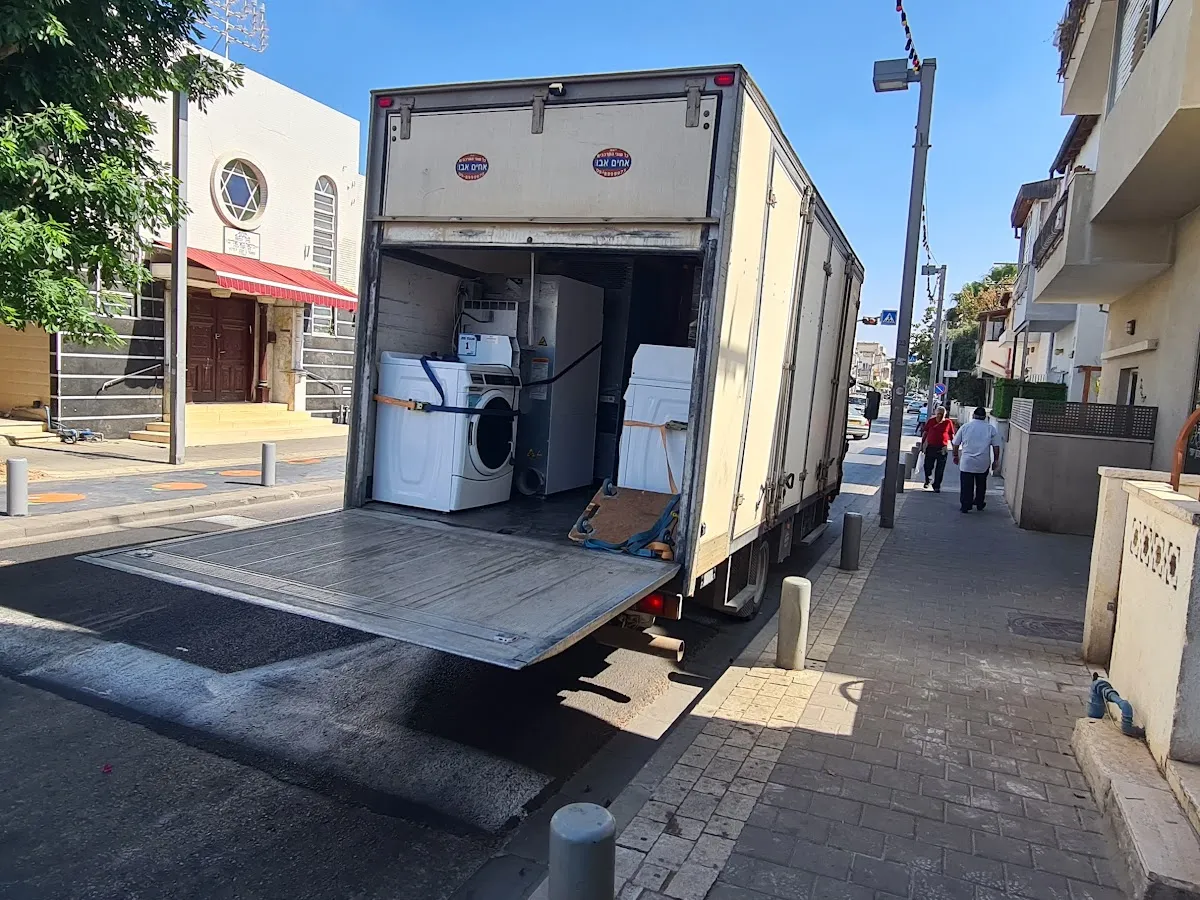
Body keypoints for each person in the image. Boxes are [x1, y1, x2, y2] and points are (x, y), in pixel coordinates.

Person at [952, 406, 1002, 513]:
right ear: (985, 417)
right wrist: (996, 460)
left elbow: (956, 443)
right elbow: (996, 447)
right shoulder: (990, 429)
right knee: (981, 484)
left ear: (973, 415)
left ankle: (965, 505)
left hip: (967, 462)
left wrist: (955, 455)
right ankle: (979, 503)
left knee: (966, 485)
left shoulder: (965, 427)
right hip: (983, 462)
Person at [920, 406, 955, 492]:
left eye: (941, 414)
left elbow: (951, 435)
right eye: (938, 413)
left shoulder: (948, 422)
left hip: (942, 448)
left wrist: (954, 448)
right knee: (927, 466)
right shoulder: (931, 421)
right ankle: (928, 479)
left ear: (944, 414)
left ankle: (937, 486)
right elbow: (925, 432)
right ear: (936, 413)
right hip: (931, 447)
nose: (939, 415)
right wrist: (922, 444)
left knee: (940, 468)